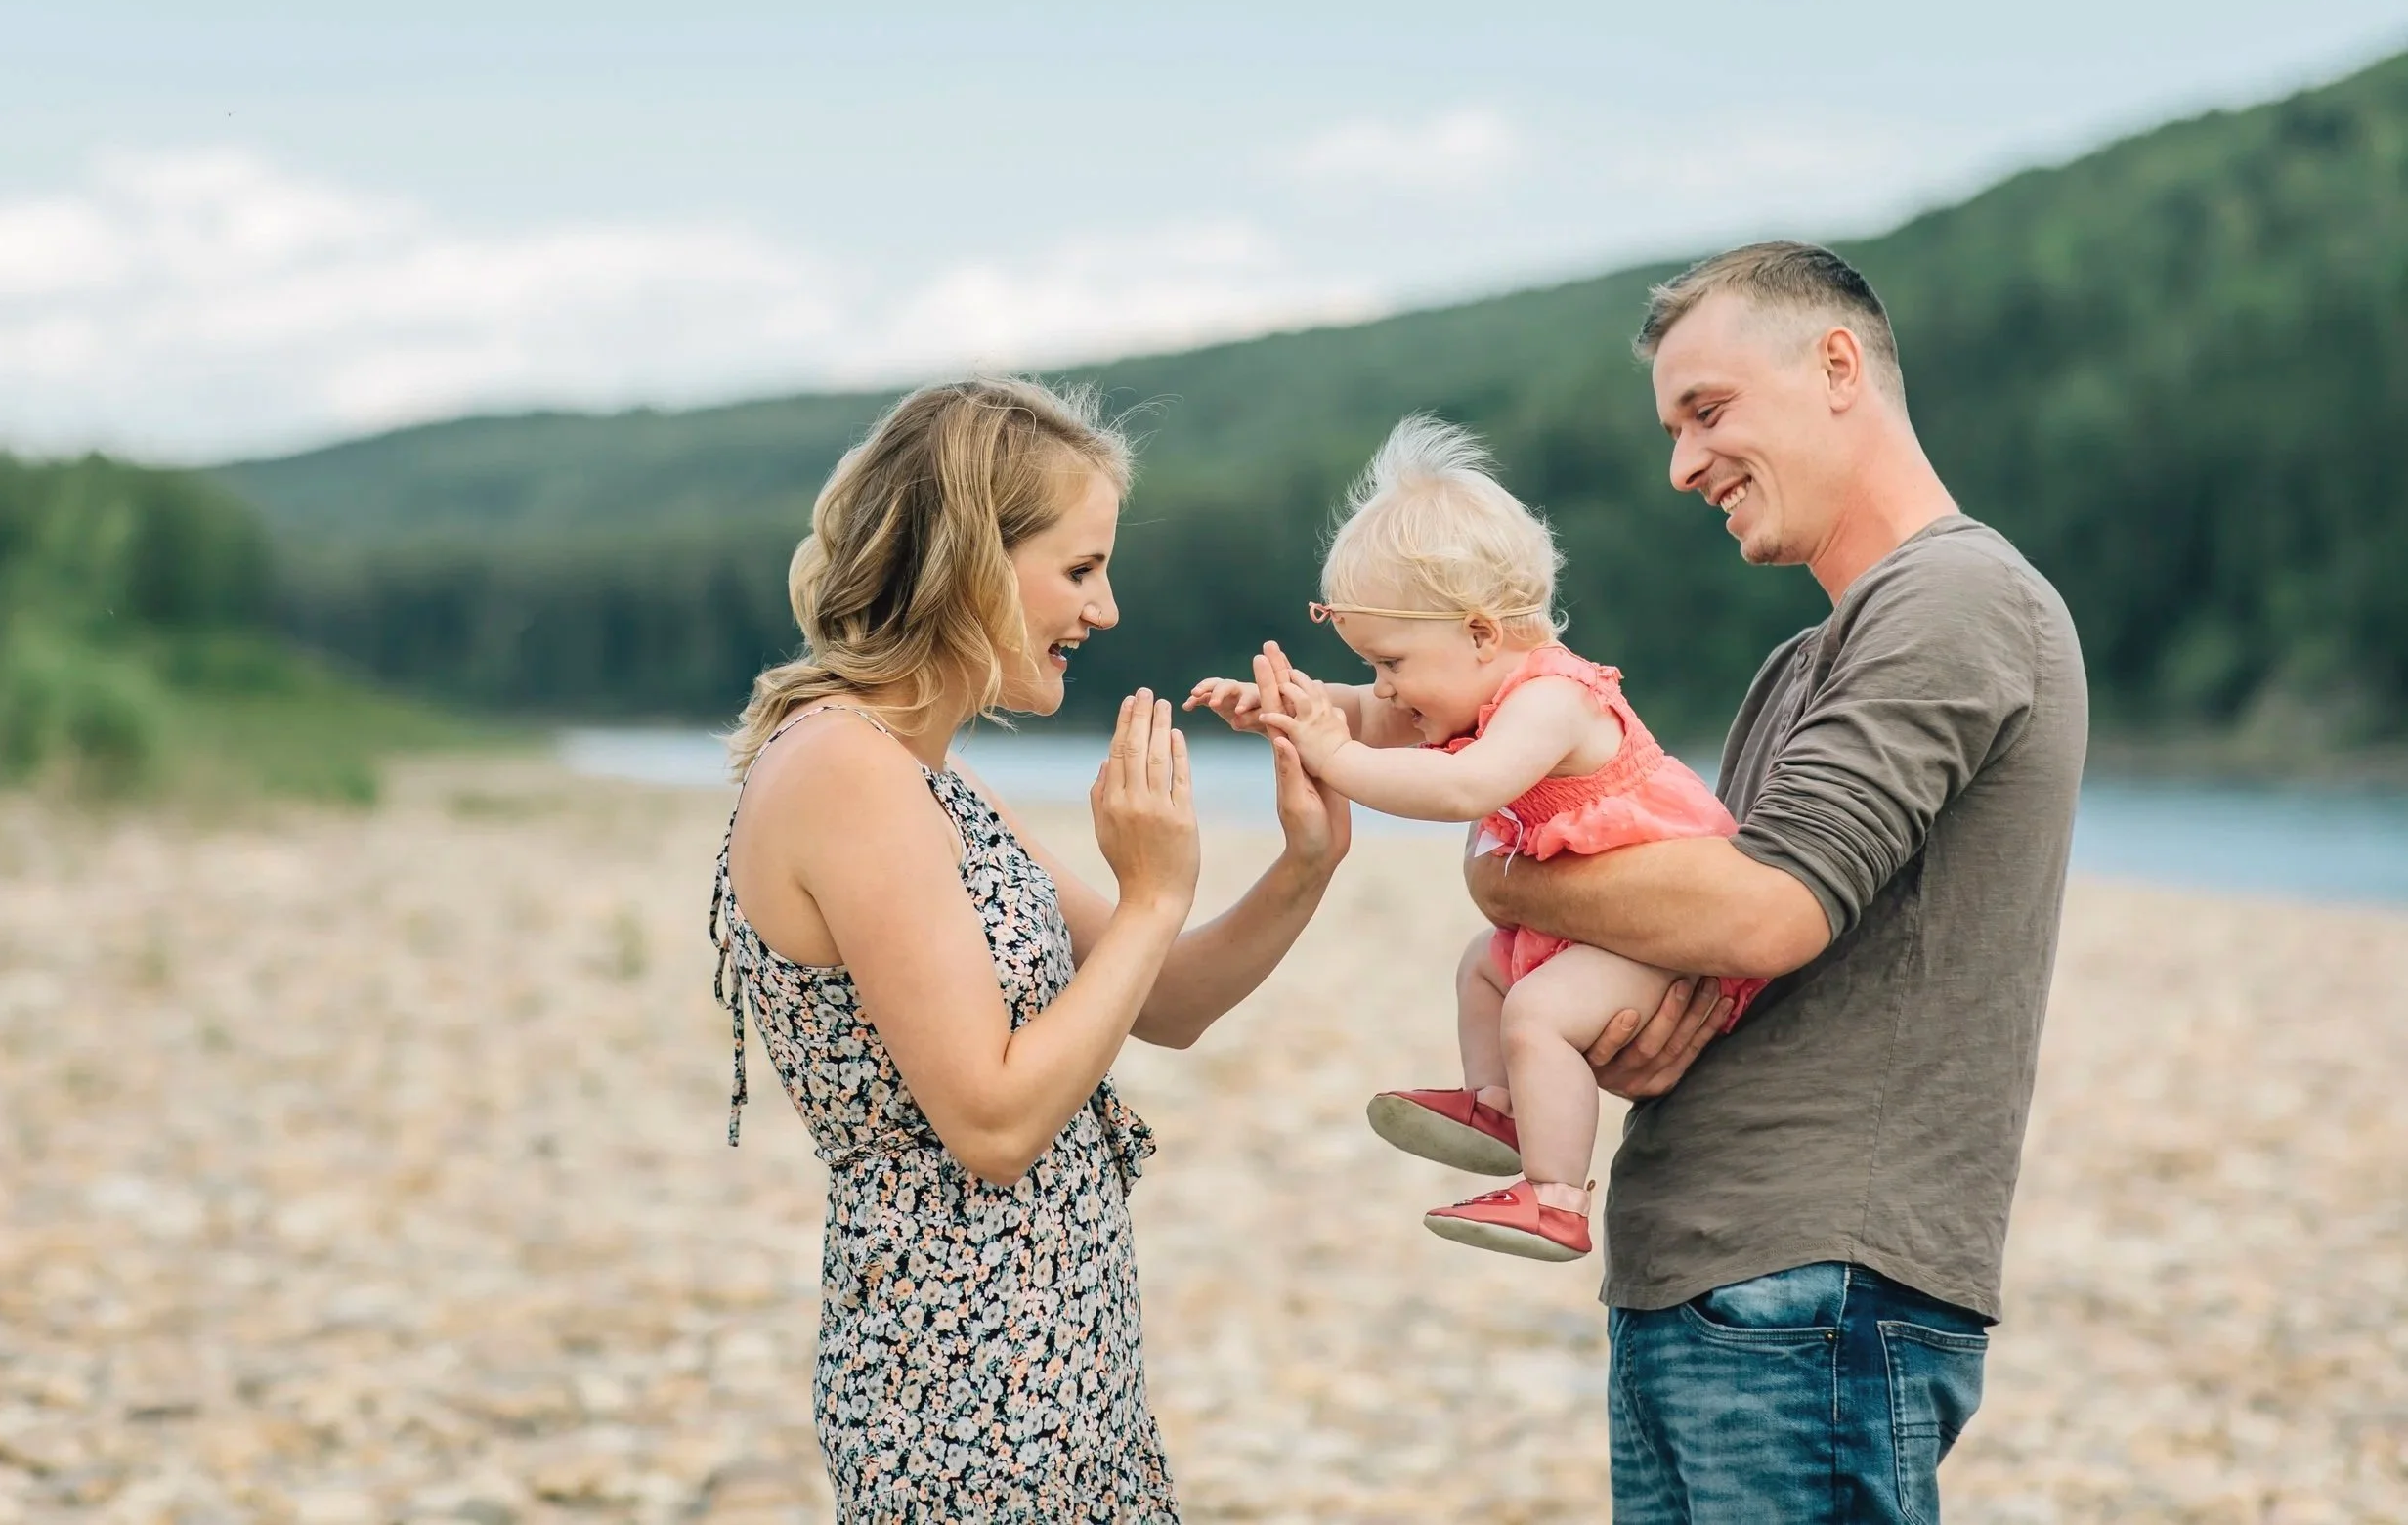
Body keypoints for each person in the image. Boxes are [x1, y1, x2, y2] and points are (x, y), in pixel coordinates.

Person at [1461, 242, 2087, 1522]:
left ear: (1838, 366)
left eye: (1708, 410)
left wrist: (1506, 882)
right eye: (1673, 428)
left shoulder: (1957, 595)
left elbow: (1760, 909)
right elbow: (1697, 935)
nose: (1682, 464)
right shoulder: (1802, 661)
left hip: (1814, 1286)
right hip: (1710, 1281)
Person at [707, 377, 1350, 1523]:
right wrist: (1153, 893)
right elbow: (994, 1122)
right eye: (1081, 567)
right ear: (967, 561)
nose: (1105, 609)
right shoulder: (846, 771)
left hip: (1060, 1367)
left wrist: (1305, 860)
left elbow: (1165, 1000)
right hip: (963, 1395)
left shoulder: (926, 776)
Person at [1187, 417, 1768, 1264]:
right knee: (1485, 968)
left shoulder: (1552, 698)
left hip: (1676, 938)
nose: (1385, 686)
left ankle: (1556, 1195)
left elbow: (1464, 788)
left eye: (1392, 662)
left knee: (1536, 1009)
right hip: (1605, 928)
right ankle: (1499, 1104)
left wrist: (1334, 759)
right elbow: (1366, 714)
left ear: (1481, 633)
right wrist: (1292, 710)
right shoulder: (1471, 687)